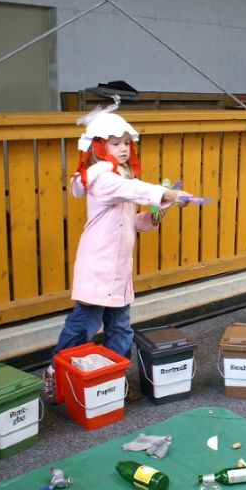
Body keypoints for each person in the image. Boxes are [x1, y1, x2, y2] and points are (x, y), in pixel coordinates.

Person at [53, 106, 191, 360]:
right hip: (98, 267)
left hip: (117, 270)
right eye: (115, 143)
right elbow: (134, 189)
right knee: (84, 326)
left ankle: (116, 379)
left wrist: (155, 214)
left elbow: (130, 220)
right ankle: (57, 371)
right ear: (98, 147)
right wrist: (168, 194)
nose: (124, 148)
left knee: (120, 328)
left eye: (126, 142)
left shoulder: (119, 178)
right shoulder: (103, 180)